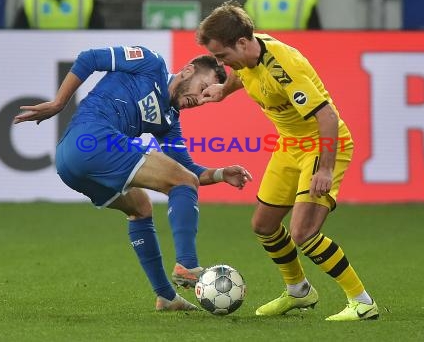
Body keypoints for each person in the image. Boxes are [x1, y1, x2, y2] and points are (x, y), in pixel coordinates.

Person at [13, 45, 253, 311]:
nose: (201, 98)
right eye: (203, 87)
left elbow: (189, 171)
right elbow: (89, 58)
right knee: (181, 182)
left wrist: (220, 174)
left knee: (141, 207)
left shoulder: (169, 121)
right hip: (94, 140)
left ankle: (166, 297)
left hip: (71, 163)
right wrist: (59, 103)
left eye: (208, 96)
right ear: (188, 71)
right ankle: (187, 263)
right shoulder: (150, 63)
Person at [196, 1, 378, 321]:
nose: (222, 63)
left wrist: (324, 168)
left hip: (320, 147)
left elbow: (327, 118)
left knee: (303, 231)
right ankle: (299, 292)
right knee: (264, 225)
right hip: (289, 145)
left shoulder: (283, 64)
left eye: (222, 56)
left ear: (241, 43)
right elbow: (243, 73)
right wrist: (224, 90)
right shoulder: (246, 59)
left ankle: (362, 302)